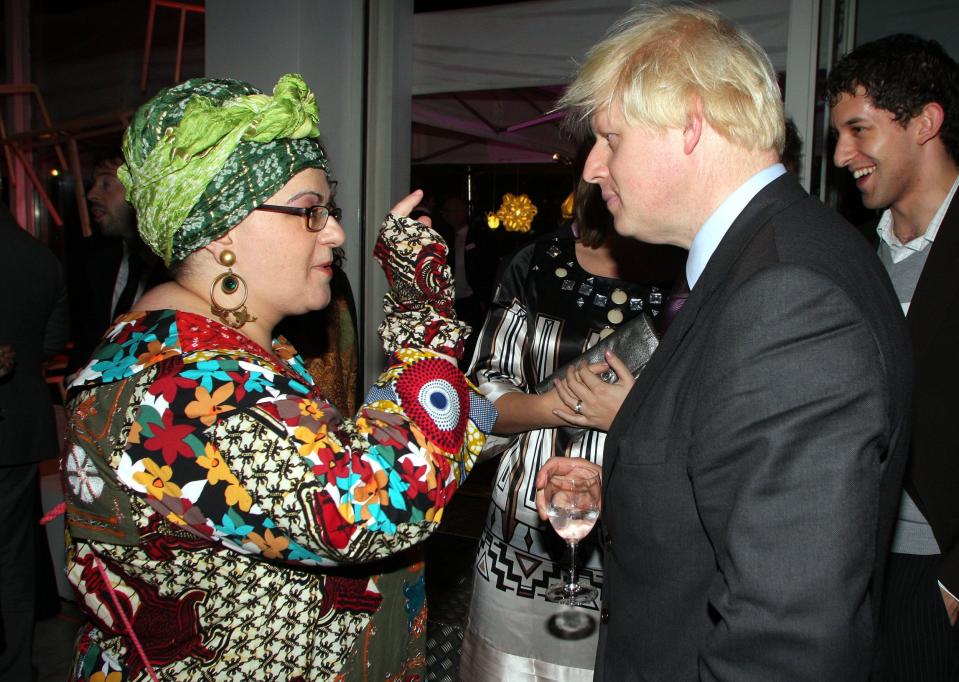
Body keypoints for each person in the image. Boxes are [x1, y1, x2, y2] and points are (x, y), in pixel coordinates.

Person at [61, 74, 496, 681]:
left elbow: (335, 462)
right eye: (310, 212)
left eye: (331, 209)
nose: (338, 233)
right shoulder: (181, 383)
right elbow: (369, 512)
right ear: (221, 226)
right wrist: (424, 324)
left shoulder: (219, 351)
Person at [534, 5, 913, 680]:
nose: (592, 167)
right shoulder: (777, 253)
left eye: (610, 138)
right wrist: (635, 488)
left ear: (689, 124)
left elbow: (787, 638)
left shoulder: (786, 293)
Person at [459, 157, 682, 679]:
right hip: (528, 522)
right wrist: (555, 406)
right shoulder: (534, 264)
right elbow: (480, 396)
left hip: (641, 520)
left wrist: (630, 416)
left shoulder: (689, 275)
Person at [827, 34, 959, 680]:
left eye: (858, 130)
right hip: (852, 568)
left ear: (925, 122)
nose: (839, 155)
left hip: (936, 573)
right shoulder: (849, 256)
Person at [0, 204, 69, 681]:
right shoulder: (40, 257)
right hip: (17, 428)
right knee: (13, 561)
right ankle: (17, 667)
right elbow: (53, 340)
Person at [67, 153, 165, 376]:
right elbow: (86, 338)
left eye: (106, 184)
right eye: (94, 184)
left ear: (140, 190)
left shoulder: (180, 268)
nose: (91, 194)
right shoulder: (93, 259)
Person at [434, 195, 496, 369]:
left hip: (473, 301)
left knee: (472, 345)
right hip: (451, 303)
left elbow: (488, 268)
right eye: (445, 212)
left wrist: (485, 298)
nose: (446, 216)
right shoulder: (444, 237)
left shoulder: (479, 236)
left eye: (450, 211)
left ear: (461, 213)